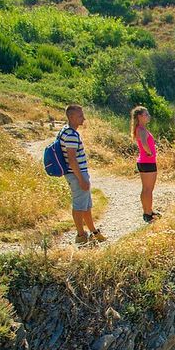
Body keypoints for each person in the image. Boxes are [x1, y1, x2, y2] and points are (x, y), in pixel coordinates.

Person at [59, 104, 105, 246]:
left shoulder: (66, 131)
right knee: (79, 206)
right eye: (80, 116)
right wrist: (81, 179)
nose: (83, 118)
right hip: (76, 174)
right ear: (71, 117)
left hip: (76, 173)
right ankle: (81, 236)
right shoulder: (71, 135)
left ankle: (93, 232)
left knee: (86, 205)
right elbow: (72, 159)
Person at [131, 106, 160, 223]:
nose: (148, 116)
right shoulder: (141, 130)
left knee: (146, 188)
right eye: (146, 114)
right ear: (139, 116)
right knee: (148, 189)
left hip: (144, 161)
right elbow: (144, 143)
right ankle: (148, 213)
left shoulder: (140, 128)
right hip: (147, 162)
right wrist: (150, 153)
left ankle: (148, 210)